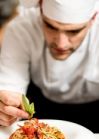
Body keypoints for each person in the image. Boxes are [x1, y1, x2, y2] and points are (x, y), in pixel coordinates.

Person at [0, 0, 99, 132]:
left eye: (74, 31)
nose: (61, 44)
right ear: (40, 10)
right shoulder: (21, 28)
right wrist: (6, 109)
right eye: (51, 26)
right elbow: (10, 88)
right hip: (41, 107)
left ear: (93, 19)